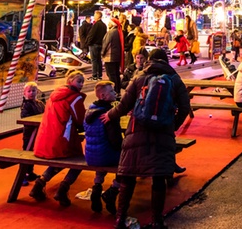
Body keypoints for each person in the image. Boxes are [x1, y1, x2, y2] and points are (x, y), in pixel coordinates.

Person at [102, 48, 191, 229]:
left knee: (128, 175)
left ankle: (120, 218)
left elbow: (124, 104)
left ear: (149, 60)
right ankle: (157, 220)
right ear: (166, 61)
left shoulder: (139, 77)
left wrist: (109, 115)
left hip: (137, 130)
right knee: (159, 177)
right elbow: (184, 108)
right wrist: (172, 125)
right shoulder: (174, 80)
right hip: (163, 133)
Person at [30, 69, 86, 206]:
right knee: (80, 161)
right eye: (79, 81)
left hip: (45, 140)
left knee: (59, 159)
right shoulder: (75, 97)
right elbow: (80, 119)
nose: (82, 84)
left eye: (83, 81)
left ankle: (39, 183)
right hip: (62, 139)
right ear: (70, 81)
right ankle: (63, 188)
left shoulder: (54, 95)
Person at [83, 80, 122, 214]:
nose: (115, 93)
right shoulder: (109, 115)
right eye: (112, 91)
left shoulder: (89, 111)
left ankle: (97, 187)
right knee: (127, 160)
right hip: (106, 156)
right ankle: (113, 191)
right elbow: (115, 141)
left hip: (90, 156)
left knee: (102, 150)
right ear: (103, 96)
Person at [20, 82, 46, 185]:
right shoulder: (25, 105)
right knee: (27, 152)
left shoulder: (39, 103)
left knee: (33, 152)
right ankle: (22, 175)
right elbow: (24, 117)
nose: (31, 93)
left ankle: (30, 172)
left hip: (38, 132)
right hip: (29, 133)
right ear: (25, 93)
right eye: (29, 91)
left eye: (33, 91)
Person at [102, 17, 124, 95]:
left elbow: (106, 44)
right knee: (116, 74)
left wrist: (102, 53)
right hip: (116, 56)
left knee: (111, 75)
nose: (108, 24)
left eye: (109, 23)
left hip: (110, 56)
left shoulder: (111, 32)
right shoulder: (118, 32)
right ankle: (118, 90)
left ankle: (113, 91)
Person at [87, 11, 107, 81]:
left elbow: (92, 35)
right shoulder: (104, 25)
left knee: (94, 60)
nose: (94, 17)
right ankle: (99, 75)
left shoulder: (96, 25)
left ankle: (94, 75)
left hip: (94, 44)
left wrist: (88, 43)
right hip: (100, 44)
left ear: (98, 16)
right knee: (99, 60)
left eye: (95, 15)